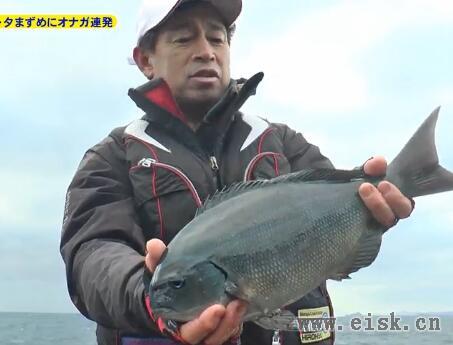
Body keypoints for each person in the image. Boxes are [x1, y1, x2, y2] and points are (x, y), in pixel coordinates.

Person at [60, 1, 414, 344]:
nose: (205, 51)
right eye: (183, 38)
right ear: (145, 60)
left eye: (217, 38)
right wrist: (148, 295)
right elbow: (92, 255)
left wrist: (374, 208)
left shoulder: (281, 141)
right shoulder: (111, 157)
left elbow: (338, 230)